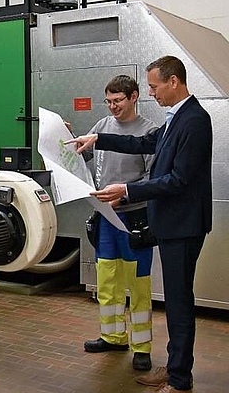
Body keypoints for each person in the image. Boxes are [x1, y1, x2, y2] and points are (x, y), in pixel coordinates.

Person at [66, 56, 213, 393]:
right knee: (176, 298)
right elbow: (143, 143)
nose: (151, 92)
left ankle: (179, 377)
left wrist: (128, 190)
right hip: (176, 224)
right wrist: (98, 139)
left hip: (184, 225)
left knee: (178, 301)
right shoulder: (177, 118)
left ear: (173, 81)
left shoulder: (194, 120)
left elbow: (178, 180)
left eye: (154, 86)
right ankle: (175, 367)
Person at [79, 75, 157, 372]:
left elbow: (153, 179)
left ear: (134, 97)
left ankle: (141, 346)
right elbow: (81, 153)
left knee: (137, 284)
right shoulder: (101, 127)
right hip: (105, 219)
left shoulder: (149, 132)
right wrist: (65, 137)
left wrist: (123, 197)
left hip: (134, 217)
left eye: (118, 101)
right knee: (107, 280)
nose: (113, 107)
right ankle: (112, 336)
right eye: (108, 101)